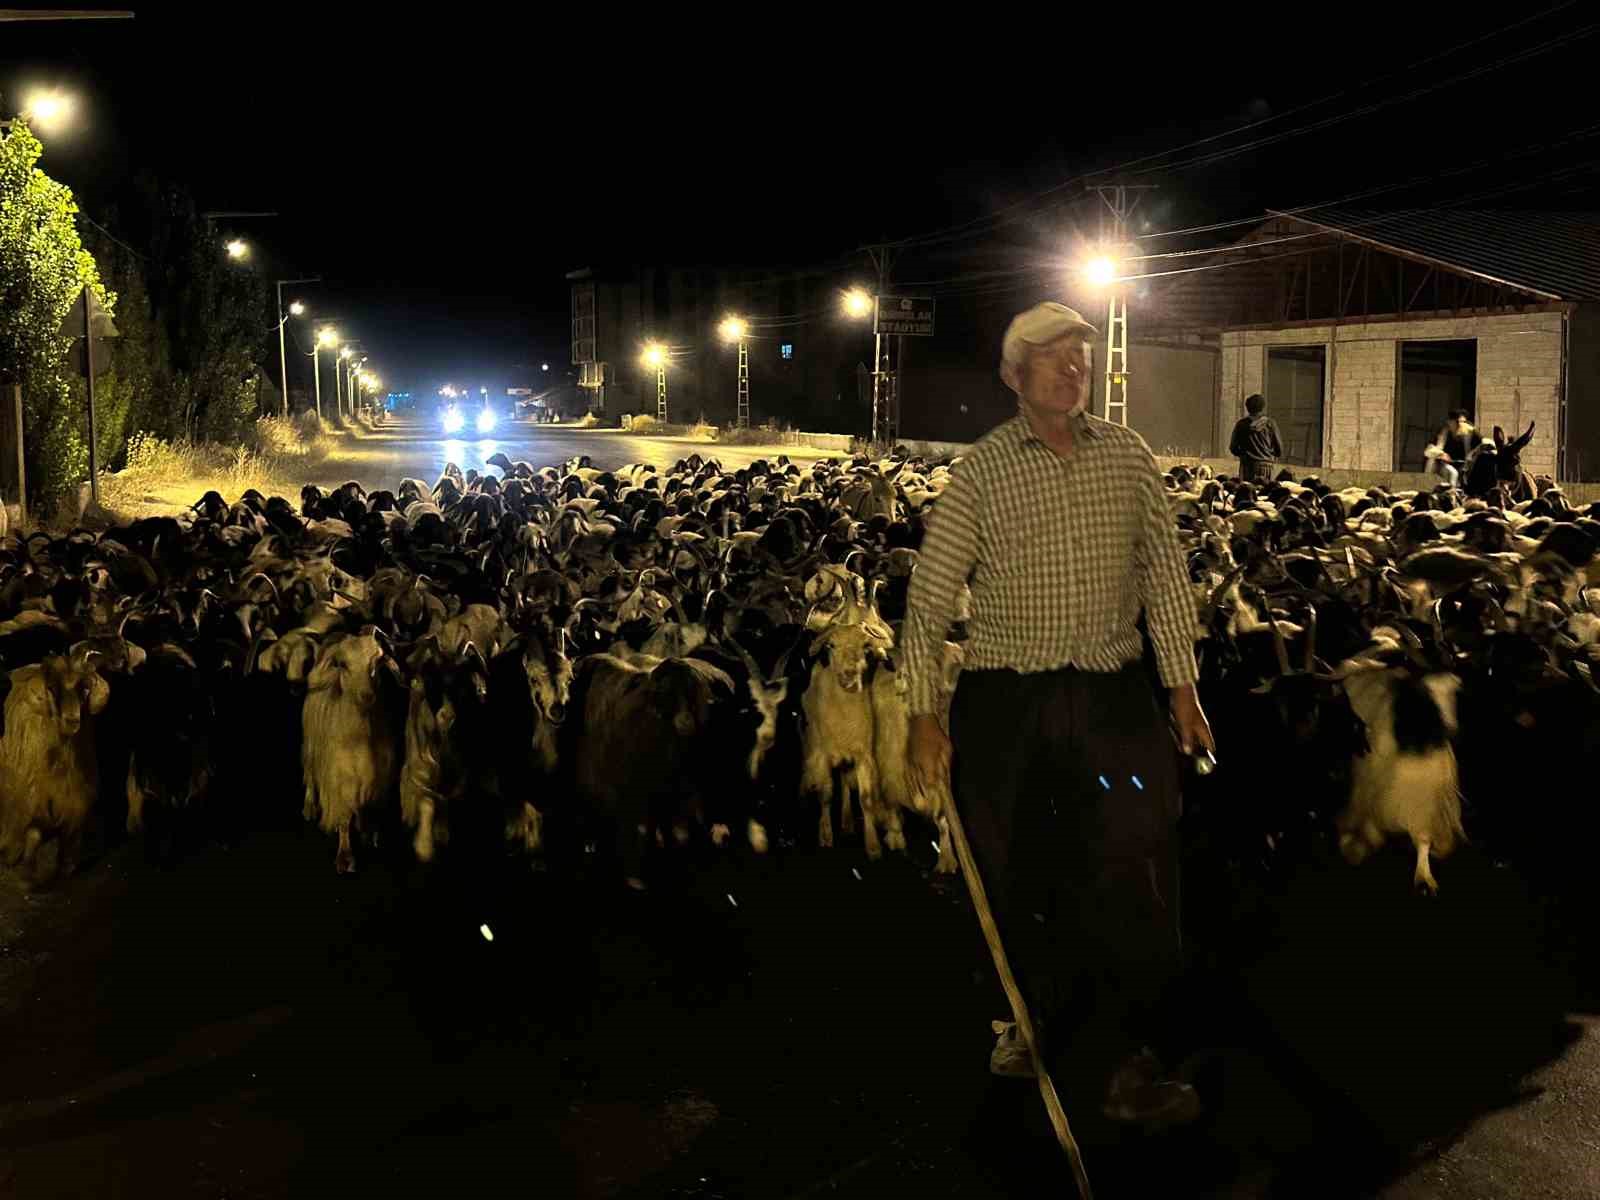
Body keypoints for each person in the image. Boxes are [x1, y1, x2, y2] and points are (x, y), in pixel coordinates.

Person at [902, 301, 1216, 1134]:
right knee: (1014, 867)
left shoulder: (1130, 455)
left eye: (1080, 352)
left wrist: (1182, 690)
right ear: (1013, 377)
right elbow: (930, 599)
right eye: (1052, 356)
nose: (1073, 367)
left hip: (1112, 694)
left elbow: (1164, 572)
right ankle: (1019, 1018)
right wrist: (923, 712)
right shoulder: (983, 470)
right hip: (1011, 698)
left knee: (1133, 861)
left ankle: (1127, 1047)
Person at [1228, 393, 1283, 483]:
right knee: (1264, 494)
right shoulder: (1270, 424)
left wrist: (1244, 454)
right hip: (1266, 466)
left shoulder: (1241, 424)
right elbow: (1279, 450)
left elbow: (1233, 448)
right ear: (1263, 407)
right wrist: (1269, 453)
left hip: (1248, 467)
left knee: (1248, 493)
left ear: (1248, 408)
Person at [1424, 409, 1481, 487]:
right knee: (1452, 473)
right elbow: (1428, 451)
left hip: (1465, 466)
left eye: (1464, 423)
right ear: (1450, 422)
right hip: (1444, 466)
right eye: (1457, 422)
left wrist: (1472, 455)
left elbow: (1483, 445)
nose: (1460, 425)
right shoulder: (1443, 432)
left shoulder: (1471, 433)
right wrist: (1441, 454)